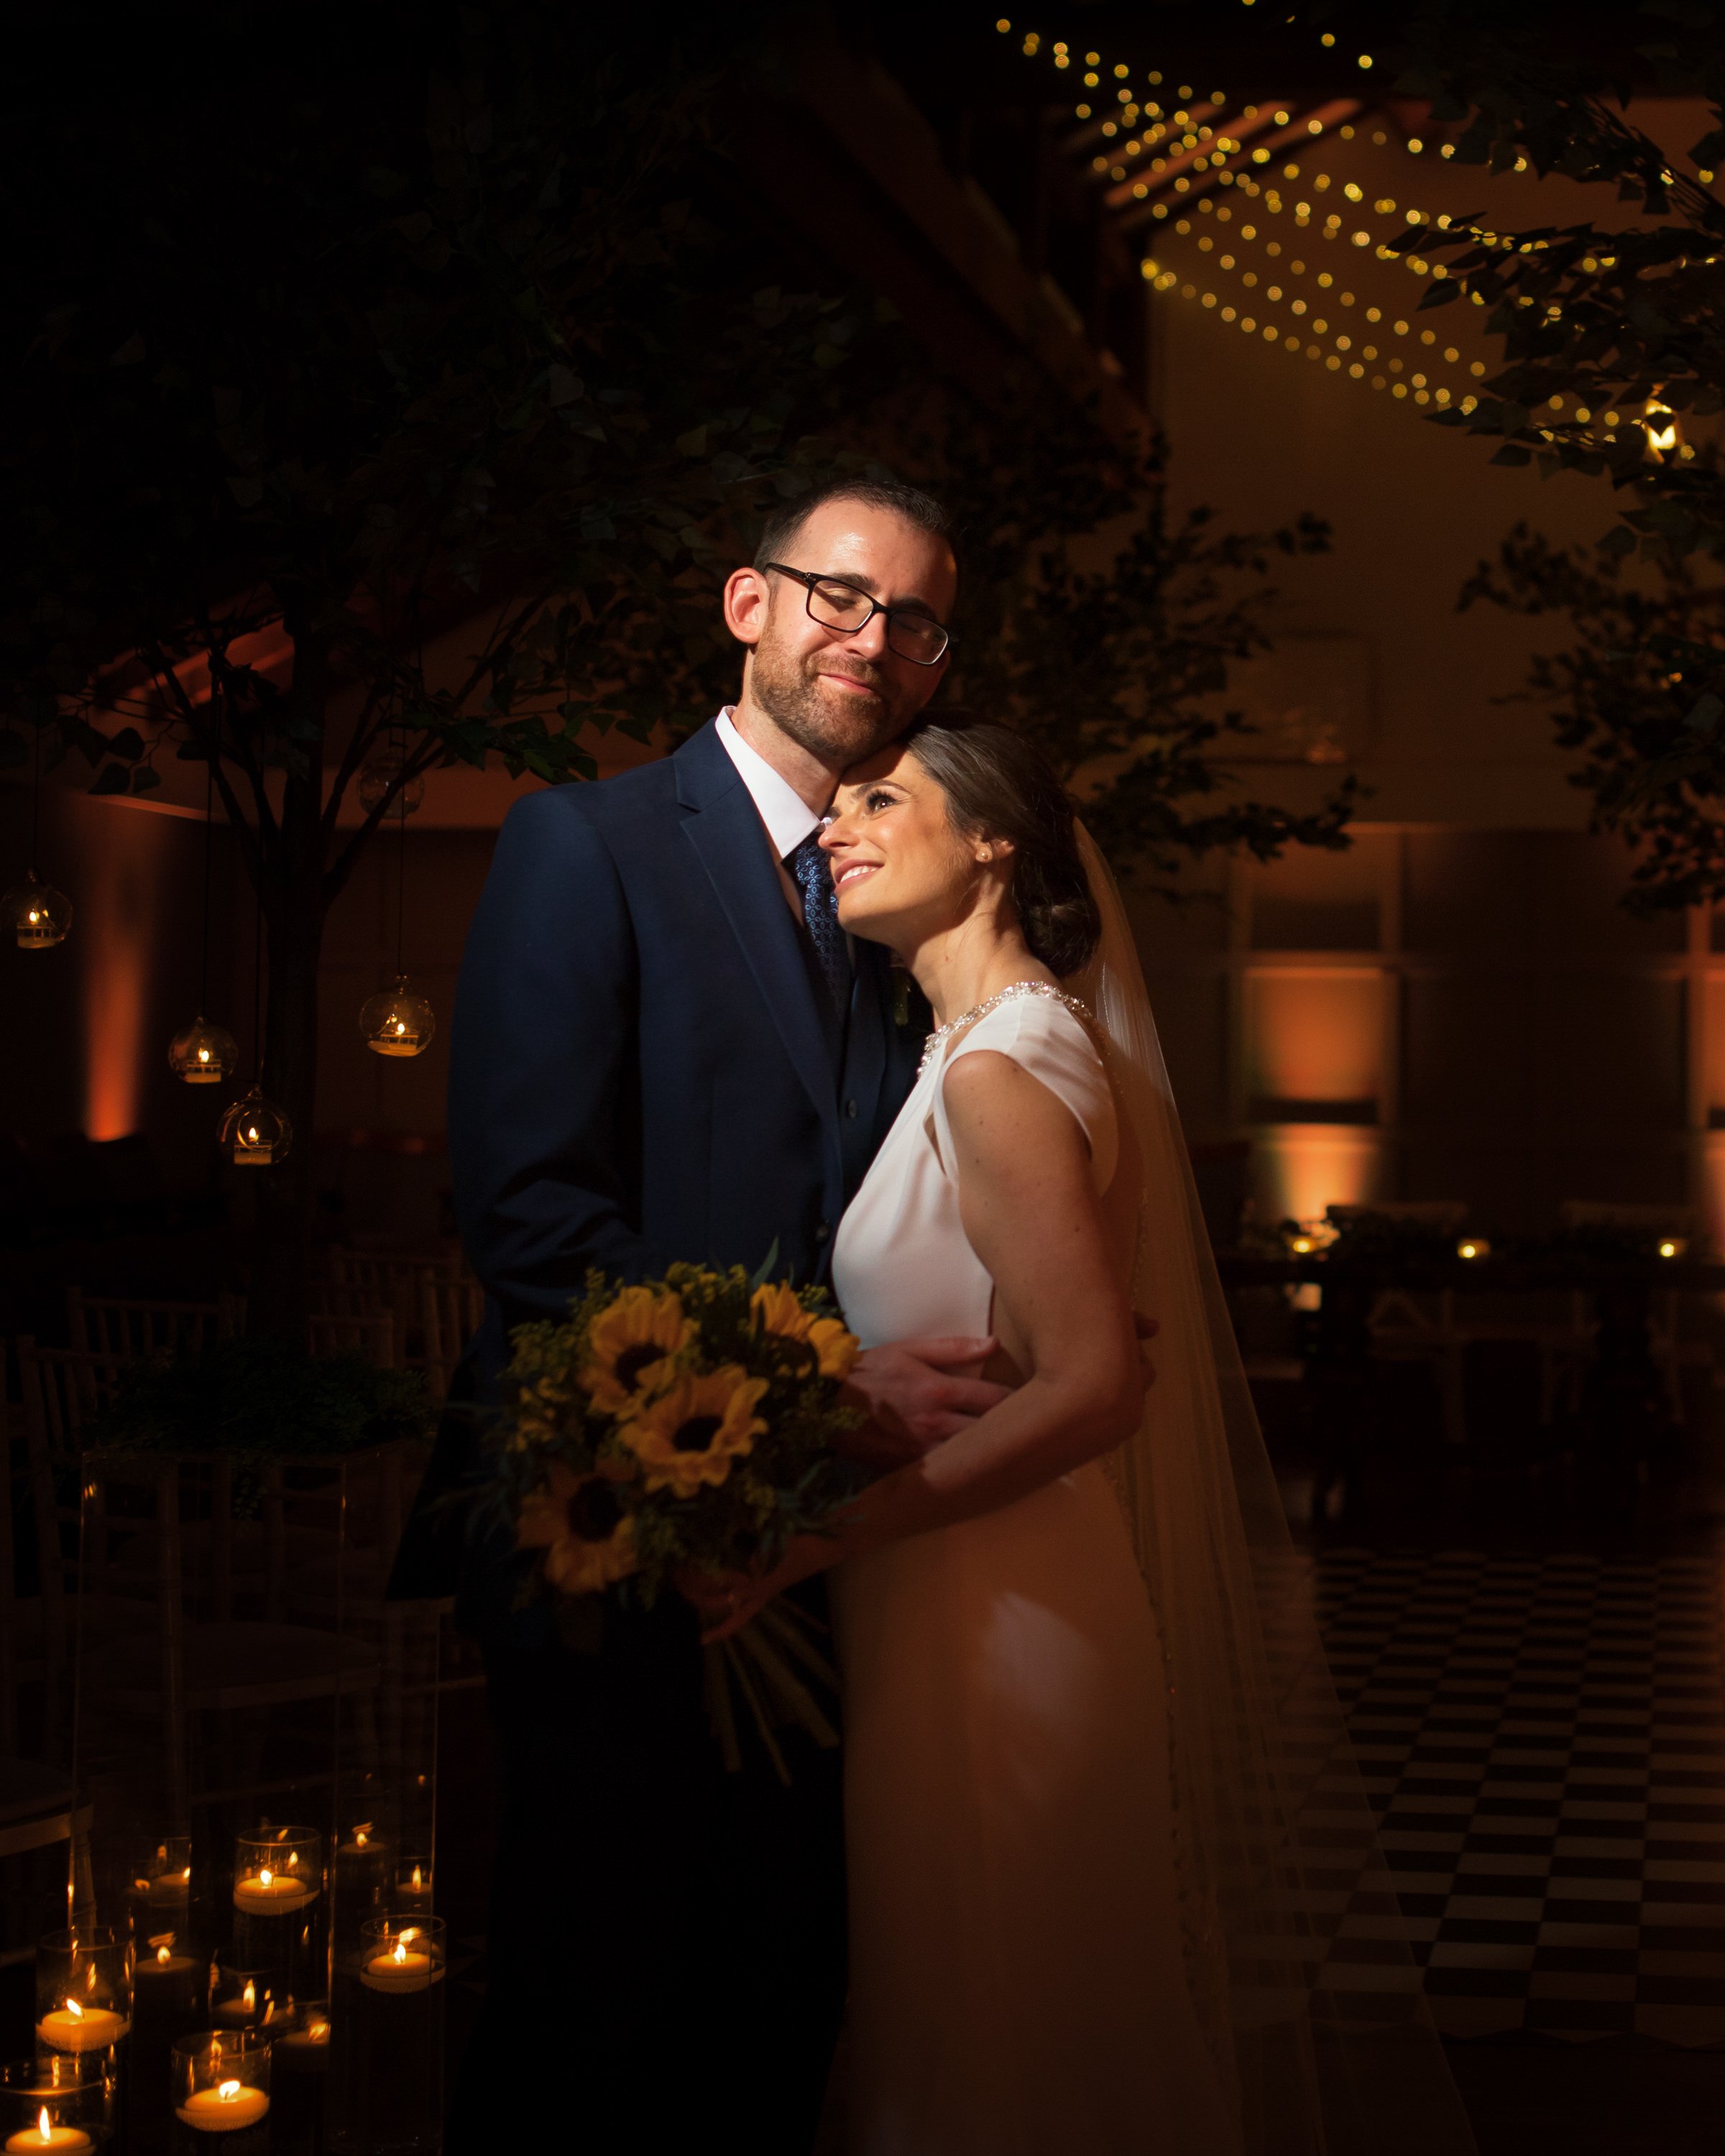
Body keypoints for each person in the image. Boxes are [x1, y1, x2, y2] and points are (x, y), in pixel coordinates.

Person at [697, 714, 1480, 2155]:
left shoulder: (1002, 1068)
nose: (838, 826)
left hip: (997, 1626)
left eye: (884, 798)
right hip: (963, 1604)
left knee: (1005, 2056)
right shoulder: (990, 1049)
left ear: (995, 842)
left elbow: (1097, 1385)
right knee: (981, 2034)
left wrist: (813, 1543)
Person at [390, 478, 1006, 2152]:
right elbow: (531, 1217)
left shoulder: (898, 903)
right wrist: (818, 1393)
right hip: (608, 1524)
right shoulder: (579, 844)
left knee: (777, 1999)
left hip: (828, 1556)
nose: (873, 639)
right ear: (749, 606)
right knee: (592, 2010)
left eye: (917, 620)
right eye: (839, 596)